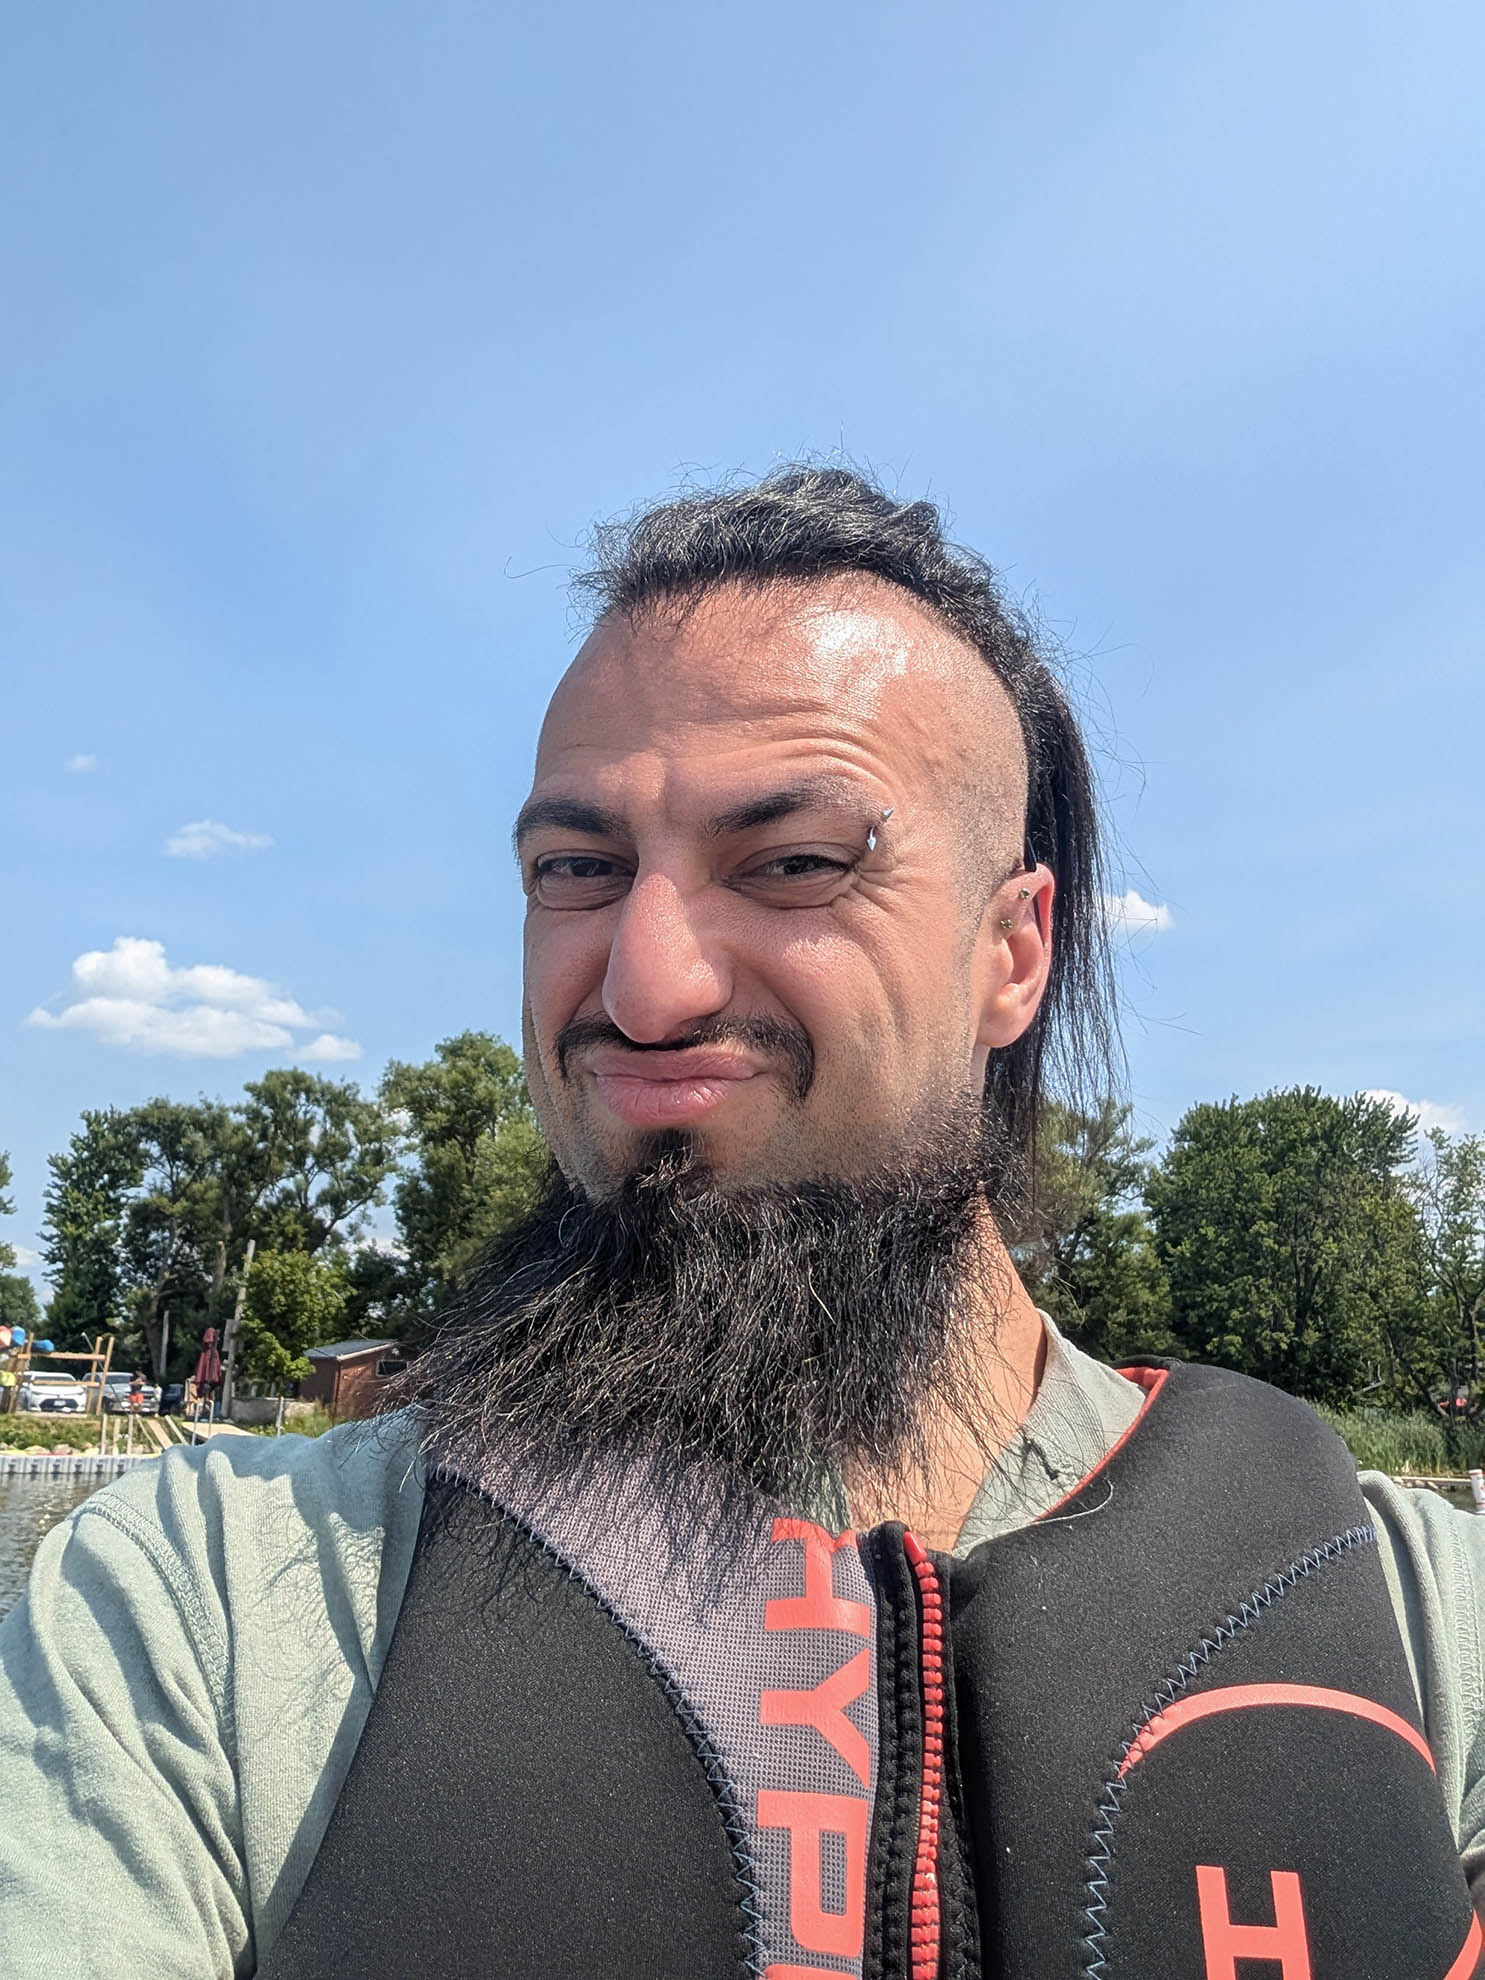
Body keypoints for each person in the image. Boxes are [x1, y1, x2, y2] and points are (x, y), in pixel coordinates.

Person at [1, 468, 1482, 1980]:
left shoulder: (1423, 1622)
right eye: (577, 871)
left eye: (795, 863)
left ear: (1012, 954)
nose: (646, 990)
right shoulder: (217, 1601)